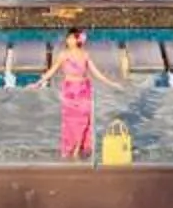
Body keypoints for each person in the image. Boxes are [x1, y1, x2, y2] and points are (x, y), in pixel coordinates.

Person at [40, 27, 121, 161]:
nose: (68, 39)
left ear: (77, 39)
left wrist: (112, 83)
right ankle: (72, 149)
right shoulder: (63, 54)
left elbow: (96, 73)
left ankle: (78, 149)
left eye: (71, 37)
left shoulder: (85, 54)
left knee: (84, 120)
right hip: (70, 91)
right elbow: (52, 71)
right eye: (68, 37)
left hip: (84, 90)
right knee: (70, 122)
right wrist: (38, 83)